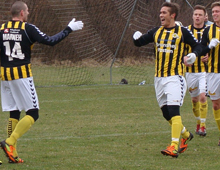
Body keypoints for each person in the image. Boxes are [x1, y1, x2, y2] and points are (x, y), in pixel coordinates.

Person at [0, 1, 84, 163]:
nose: (29, 13)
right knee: (33, 113)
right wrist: (68, 29)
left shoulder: (2, 29)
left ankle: (13, 154)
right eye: (28, 11)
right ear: (22, 13)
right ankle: (10, 142)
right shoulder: (28, 28)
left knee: (14, 111)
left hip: (5, 76)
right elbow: (50, 41)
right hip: (22, 75)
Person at [133, 2, 203, 158]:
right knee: (166, 114)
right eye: (160, 12)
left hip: (175, 77)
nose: (160, 15)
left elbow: (198, 46)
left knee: (173, 110)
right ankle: (185, 135)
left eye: (164, 12)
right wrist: (135, 37)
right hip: (158, 79)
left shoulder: (182, 32)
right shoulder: (156, 32)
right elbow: (139, 42)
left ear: (173, 15)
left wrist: (193, 55)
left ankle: (174, 146)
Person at [185, 5, 208, 136]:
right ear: (193, 16)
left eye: (200, 14)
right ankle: (198, 122)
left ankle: (203, 126)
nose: (197, 17)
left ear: (205, 17)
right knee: (194, 101)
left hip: (205, 71)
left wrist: (208, 55)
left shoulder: (209, 31)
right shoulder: (186, 31)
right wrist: (185, 59)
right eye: (196, 14)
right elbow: (181, 47)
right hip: (190, 72)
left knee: (203, 97)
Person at [201, 1, 220, 146]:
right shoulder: (208, 30)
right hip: (213, 72)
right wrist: (208, 49)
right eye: (213, 12)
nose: (215, 14)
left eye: (217, 11)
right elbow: (201, 50)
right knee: (216, 105)